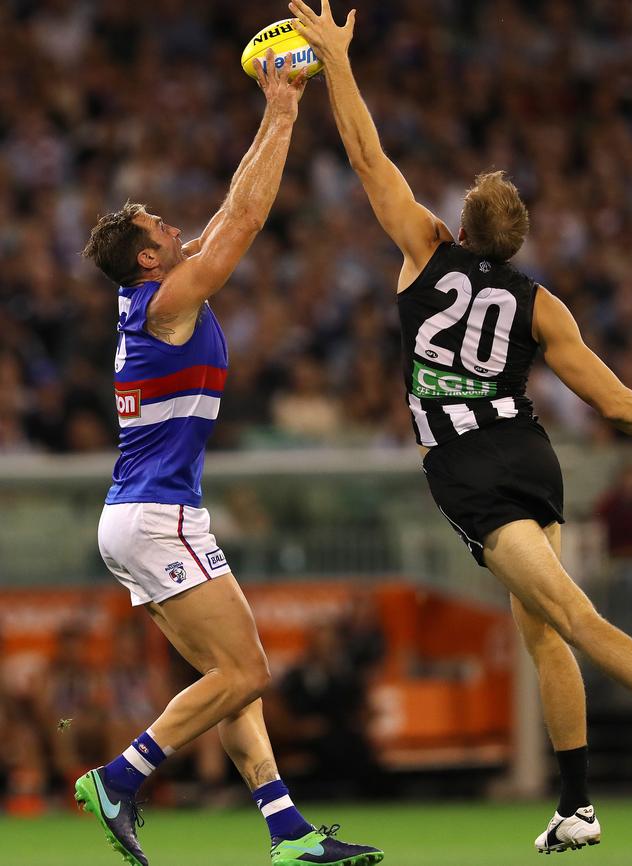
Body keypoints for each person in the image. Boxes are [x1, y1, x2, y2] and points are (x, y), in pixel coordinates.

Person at [288, 0, 632, 855]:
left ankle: (580, 800)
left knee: (575, 619)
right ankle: (576, 805)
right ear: (518, 242)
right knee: (541, 628)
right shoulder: (542, 304)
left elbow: (366, 155)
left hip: (470, 469)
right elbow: (616, 405)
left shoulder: (423, 248)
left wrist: (336, 59)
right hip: (531, 454)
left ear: (460, 223)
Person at [77, 49, 383, 866]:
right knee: (246, 669)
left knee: (228, 676)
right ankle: (119, 778)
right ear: (147, 259)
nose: (176, 230)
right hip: (156, 517)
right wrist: (285, 113)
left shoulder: (155, 296)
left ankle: (285, 831)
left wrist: (269, 107)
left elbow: (226, 211)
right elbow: (244, 223)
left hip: (141, 515)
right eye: (160, 232)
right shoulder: (172, 299)